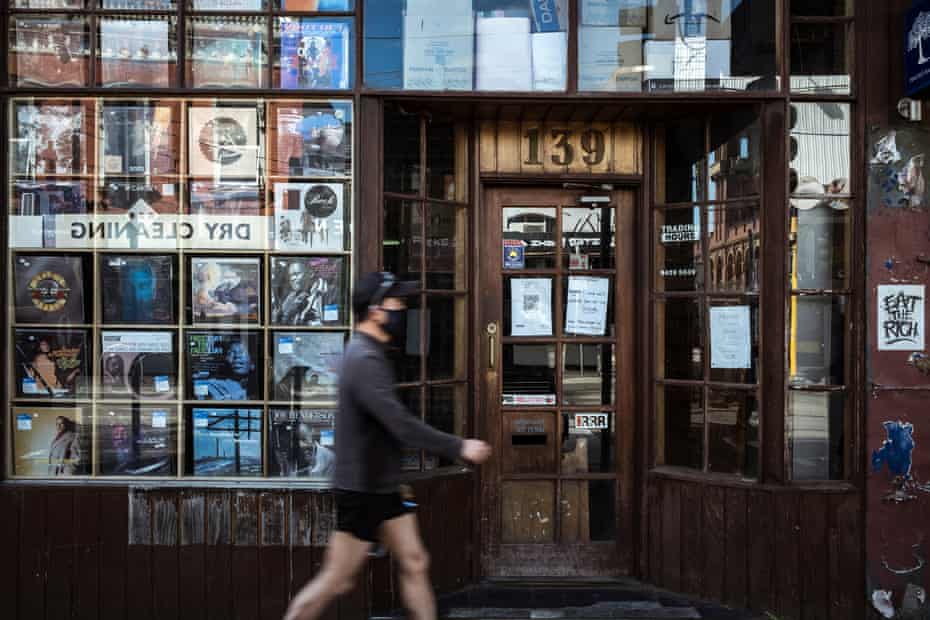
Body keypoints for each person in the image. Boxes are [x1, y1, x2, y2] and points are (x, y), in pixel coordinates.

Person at [284, 272, 491, 620]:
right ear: (376, 310)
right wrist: (459, 446)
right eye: (396, 302)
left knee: (414, 561)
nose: (403, 308)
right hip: (362, 489)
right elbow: (399, 424)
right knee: (336, 580)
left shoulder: (371, 353)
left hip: (382, 485)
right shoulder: (364, 359)